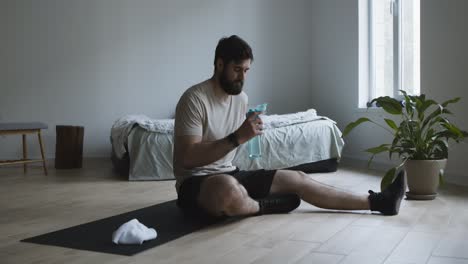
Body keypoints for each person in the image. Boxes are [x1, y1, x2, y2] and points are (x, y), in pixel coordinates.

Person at [173, 35, 405, 219]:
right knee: (228, 190)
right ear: (219, 64)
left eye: (246, 71)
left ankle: (379, 202)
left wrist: (247, 133)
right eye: (236, 70)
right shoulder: (194, 99)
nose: (241, 77)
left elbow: (234, 145)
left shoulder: (240, 98)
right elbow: (187, 158)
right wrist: (236, 138)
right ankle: (261, 207)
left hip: (230, 173)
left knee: (298, 179)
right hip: (196, 183)